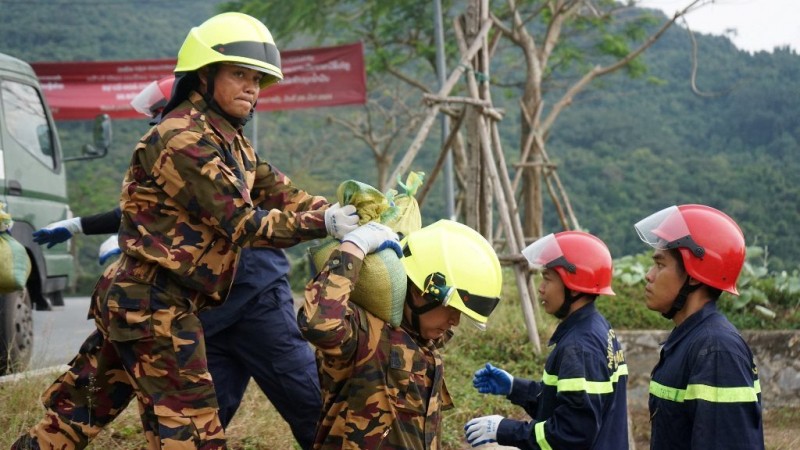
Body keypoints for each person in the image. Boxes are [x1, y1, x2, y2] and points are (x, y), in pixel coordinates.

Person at [13, 12, 359, 450]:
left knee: (77, 416)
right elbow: (242, 224)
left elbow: (278, 189)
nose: (252, 88)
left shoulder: (230, 140)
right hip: (155, 307)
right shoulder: (181, 139)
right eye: (239, 75)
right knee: (193, 435)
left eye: (258, 79)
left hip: (144, 302)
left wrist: (344, 211)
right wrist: (324, 224)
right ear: (204, 75)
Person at [298, 219, 503, 449]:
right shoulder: (366, 332)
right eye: (452, 308)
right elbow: (319, 325)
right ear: (419, 291)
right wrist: (353, 249)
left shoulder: (423, 340)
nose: (455, 321)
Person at [465, 231, 628, 450]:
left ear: (573, 285)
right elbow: (568, 404)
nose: (541, 288)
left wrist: (505, 429)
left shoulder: (580, 346)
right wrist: (515, 387)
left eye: (548, 279)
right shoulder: (595, 327)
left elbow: (571, 433)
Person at [633, 204, 764, 449]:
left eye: (660, 265)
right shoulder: (690, 339)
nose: (649, 275)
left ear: (694, 275)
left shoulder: (716, 350)